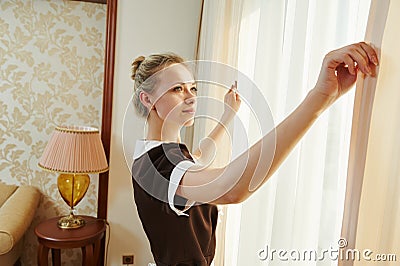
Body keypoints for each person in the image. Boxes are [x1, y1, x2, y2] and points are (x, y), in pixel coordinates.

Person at [130, 42, 378, 266]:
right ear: (147, 98)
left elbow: (199, 156)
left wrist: (228, 115)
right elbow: (231, 189)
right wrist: (318, 98)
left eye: (193, 88)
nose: (191, 97)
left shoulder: (163, 157)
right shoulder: (157, 164)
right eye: (177, 89)